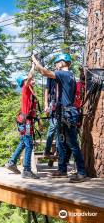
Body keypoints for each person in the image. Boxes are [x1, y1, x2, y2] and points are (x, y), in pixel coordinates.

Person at [32, 53, 86, 183]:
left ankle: (82, 172)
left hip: (67, 113)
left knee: (72, 144)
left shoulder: (64, 74)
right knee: (61, 142)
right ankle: (62, 170)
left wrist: (35, 61)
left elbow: (45, 72)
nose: (56, 66)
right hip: (64, 113)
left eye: (57, 63)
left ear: (62, 63)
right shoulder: (71, 76)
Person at [5, 64, 41, 179]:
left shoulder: (30, 91)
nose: (31, 80)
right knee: (29, 144)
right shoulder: (25, 89)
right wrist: (33, 65)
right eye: (28, 79)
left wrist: (39, 120)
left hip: (26, 121)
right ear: (25, 82)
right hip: (26, 123)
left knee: (23, 143)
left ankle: (11, 162)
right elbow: (30, 76)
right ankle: (26, 170)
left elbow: (33, 110)